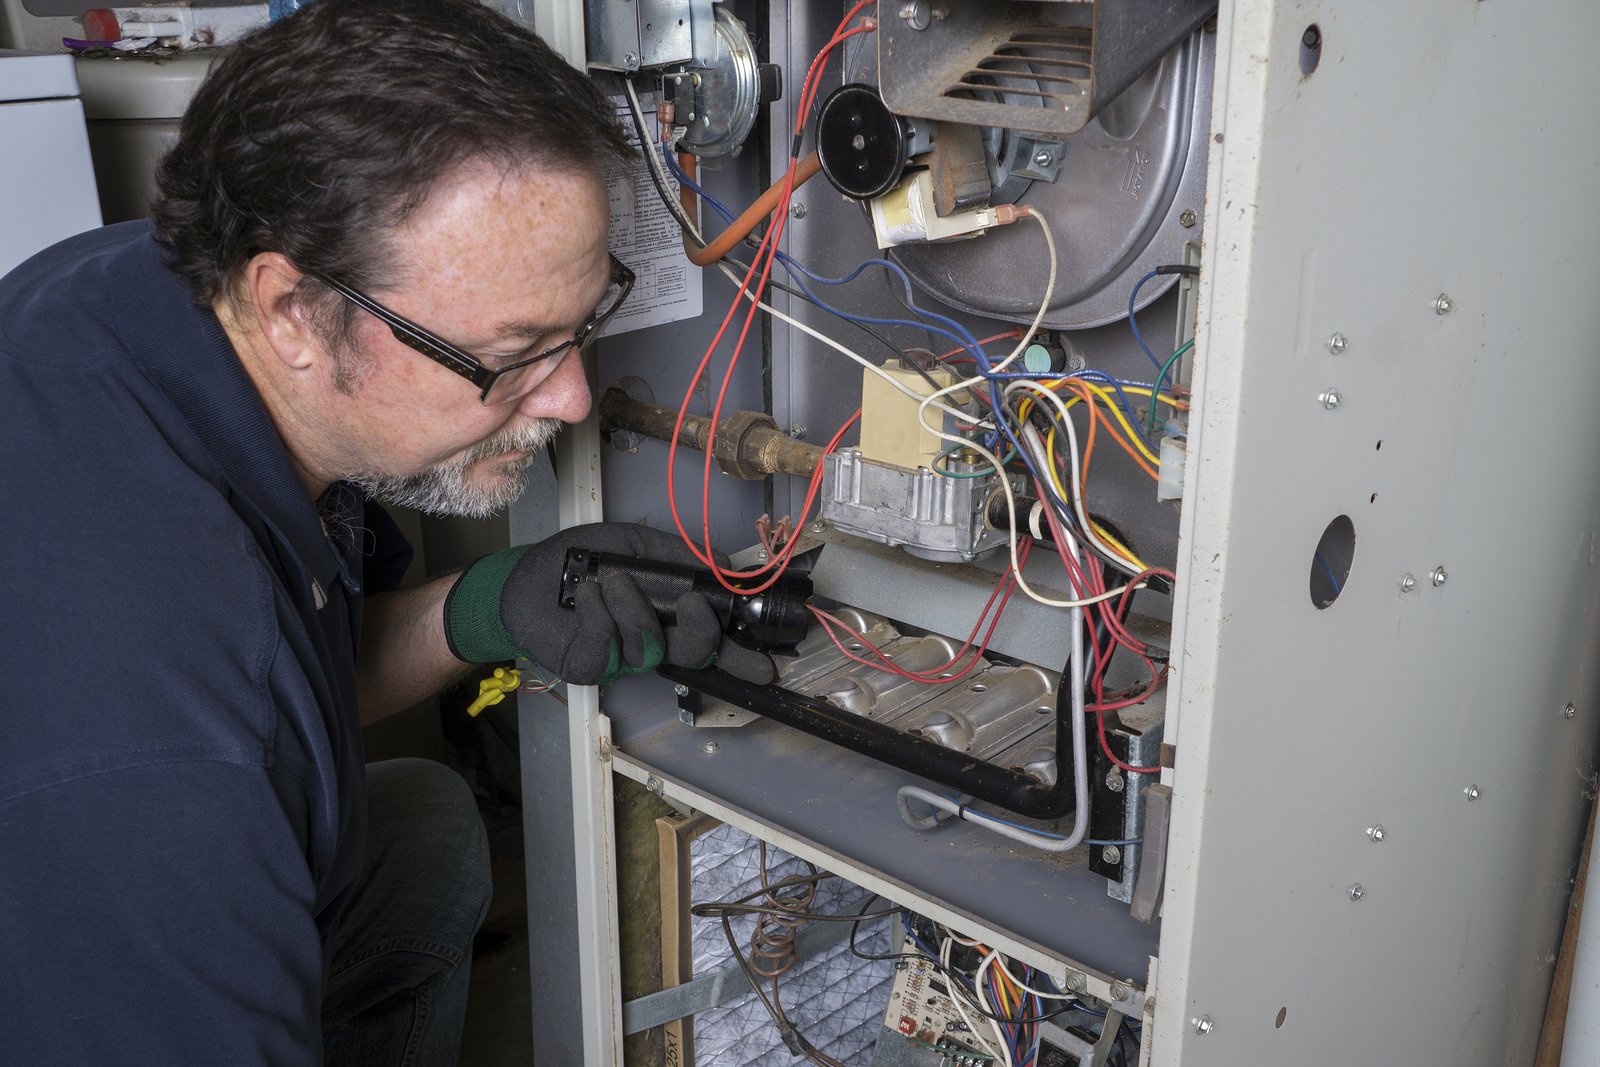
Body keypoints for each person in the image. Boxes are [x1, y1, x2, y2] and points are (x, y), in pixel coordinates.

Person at [0, 0, 769, 1061]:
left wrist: (483, 604)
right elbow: (231, 713)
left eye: (582, 324)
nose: (573, 400)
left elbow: (298, 673)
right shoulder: (170, 760)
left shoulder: (138, 287)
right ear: (294, 312)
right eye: (516, 350)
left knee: (424, 829)